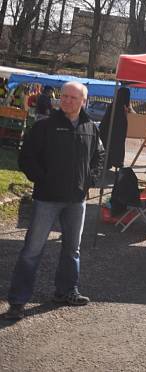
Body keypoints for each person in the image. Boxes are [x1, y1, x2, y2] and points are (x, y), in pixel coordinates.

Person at [3, 82, 104, 321]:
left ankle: (67, 291)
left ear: (84, 101)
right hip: (46, 199)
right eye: (64, 96)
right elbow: (26, 157)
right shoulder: (45, 126)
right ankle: (17, 302)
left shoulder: (90, 127)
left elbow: (99, 155)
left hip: (76, 200)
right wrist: (43, 179)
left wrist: (90, 179)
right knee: (32, 251)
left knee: (72, 249)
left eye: (73, 97)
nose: (66, 101)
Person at [99, 86, 132, 170]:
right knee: (114, 149)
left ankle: (109, 164)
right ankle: (114, 163)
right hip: (114, 135)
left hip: (109, 134)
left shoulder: (114, 105)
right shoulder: (119, 107)